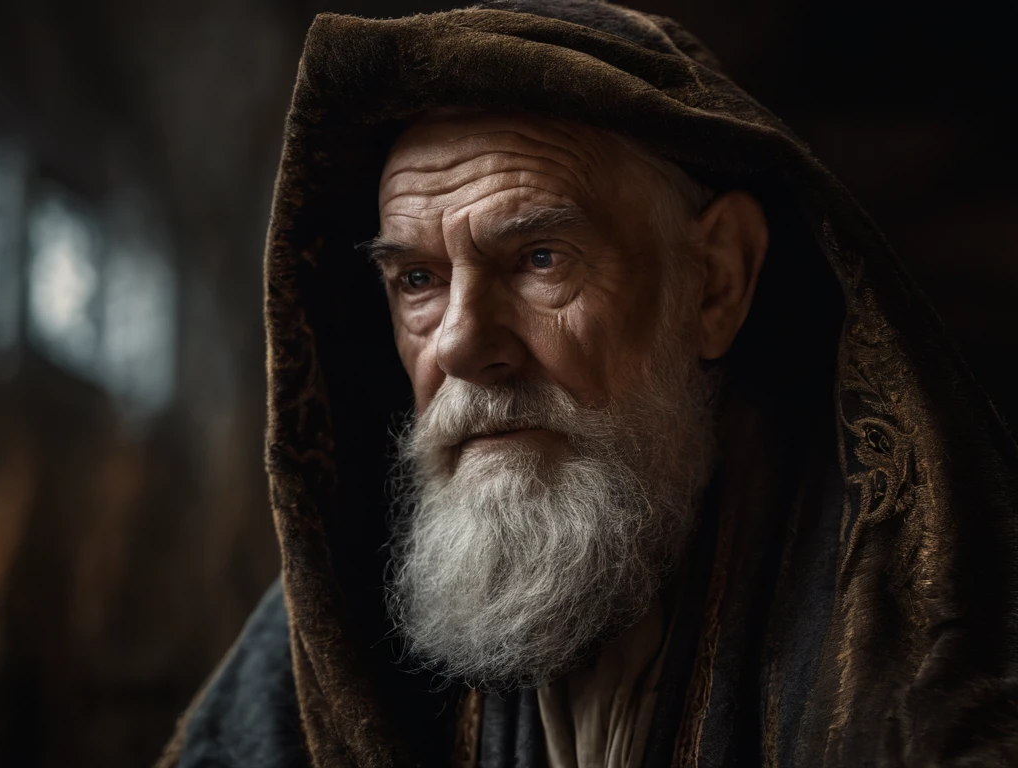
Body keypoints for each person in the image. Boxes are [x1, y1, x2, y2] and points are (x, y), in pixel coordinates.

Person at [159, 1, 1018, 766]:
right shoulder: (335, 619)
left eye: (539, 258)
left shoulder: (913, 632)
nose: (460, 344)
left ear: (716, 282)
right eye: (416, 280)